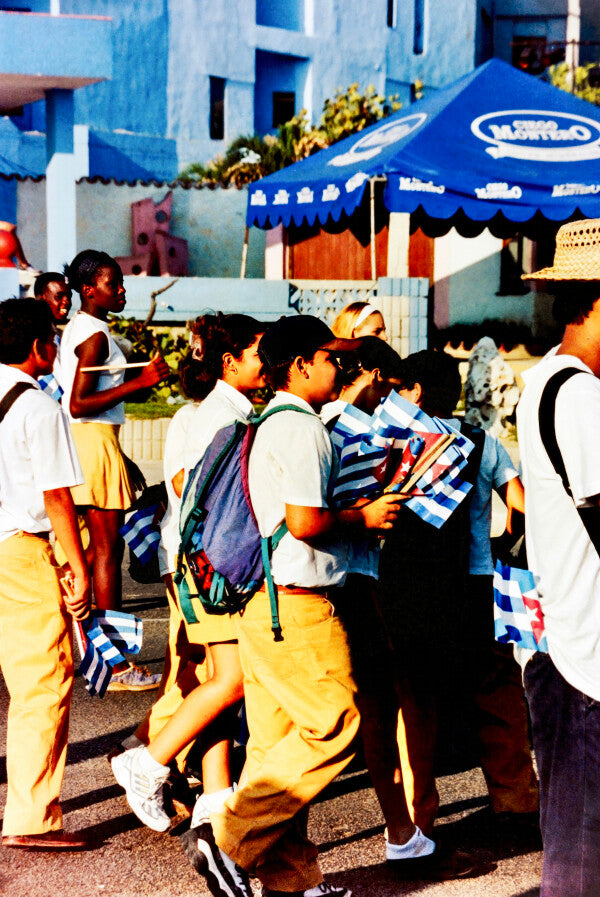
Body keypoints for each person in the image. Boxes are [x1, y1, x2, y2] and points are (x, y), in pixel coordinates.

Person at [185, 314, 448, 897]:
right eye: (331, 358)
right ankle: (226, 837)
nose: (341, 368)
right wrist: (365, 515)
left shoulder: (265, 420)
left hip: (263, 605)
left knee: (277, 749)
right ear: (302, 365)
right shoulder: (301, 427)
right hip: (300, 608)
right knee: (337, 726)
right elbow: (304, 523)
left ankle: (289, 881)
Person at [111, 313, 267, 836]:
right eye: (259, 352)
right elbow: (193, 487)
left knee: (220, 679)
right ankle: (148, 761)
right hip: (209, 566)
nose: (266, 363)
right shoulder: (221, 416)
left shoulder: (228, 410)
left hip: (203, 562)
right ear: (231, 360)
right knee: (229, 679)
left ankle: (214, 793)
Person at [379, 350, 537, 836]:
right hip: (475, 581)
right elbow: (519, 505)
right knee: (496, 687)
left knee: (418, 700)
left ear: (415, 392)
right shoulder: (483, 441)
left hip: (411, 585)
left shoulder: (392, 441)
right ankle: (515, 799)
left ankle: (419, 814)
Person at [517, 218, 600, 897]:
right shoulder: (578, 394)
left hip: (561, 638)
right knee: (579, 858)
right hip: (584, 654)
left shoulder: (545, 378)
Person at [0, 298, 91, 850]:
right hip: (20, 549)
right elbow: (57, 497)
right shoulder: (39, 408)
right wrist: (76, 567)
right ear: (40, 348)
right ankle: (32, 817)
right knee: (42, 680)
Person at [58, 249, 169, 691]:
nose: (122, 289)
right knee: (106, 554)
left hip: (90, 443)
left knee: (86, 555)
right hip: (91, 442)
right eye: (114, 283)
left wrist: (135, 389)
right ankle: (117, 665)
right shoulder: (95, 336)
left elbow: (97, 400)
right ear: (89, 290)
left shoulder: (83, 328)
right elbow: (79, 403)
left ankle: (84, 649)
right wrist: (141, 382)